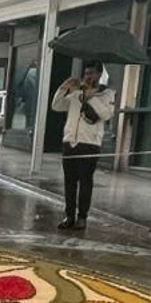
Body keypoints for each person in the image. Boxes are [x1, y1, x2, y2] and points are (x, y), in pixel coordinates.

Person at [51, 60, 115, 233]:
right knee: (69, 182)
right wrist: (64, 88)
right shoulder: (76, 94)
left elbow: (106, 114)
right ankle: (69, 215)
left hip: (89, 144)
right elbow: (56, 105)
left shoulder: (106, 94)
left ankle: (82, 217)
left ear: (99, 75)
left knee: (85, 182)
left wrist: (91, 98)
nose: (88, 77)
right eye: (86, 73)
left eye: (92, 73)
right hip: (70, 142)